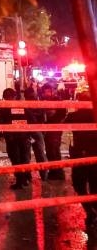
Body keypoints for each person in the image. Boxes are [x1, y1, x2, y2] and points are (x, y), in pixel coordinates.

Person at [67, 90, 97, 229]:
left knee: (79, 185)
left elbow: (60, 126)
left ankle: (90, 210)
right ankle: (94, 211)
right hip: (94, 155)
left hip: (80, 155)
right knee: (95, 185)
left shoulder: (73, 115)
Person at [0, 87, 32, 190]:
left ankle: (21, 181)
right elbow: (31, 119)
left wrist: (0, 134)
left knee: (16, 159)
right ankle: (26, 178)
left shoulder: (4, 108)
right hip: (23, 137)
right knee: (24, 158)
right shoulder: (22, 106)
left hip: (12, 138)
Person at [40, 82, 67, 180]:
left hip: (55, 129)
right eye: (45, 91)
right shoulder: (42, 101)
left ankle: (58, 173)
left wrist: (51, 119)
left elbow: (62, 114)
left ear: (52, 91)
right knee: (49, 151)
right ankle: (53, 171)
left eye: (48, 91)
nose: (47, 93)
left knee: (54, 150)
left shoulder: (58, 101)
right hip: (47, 129)